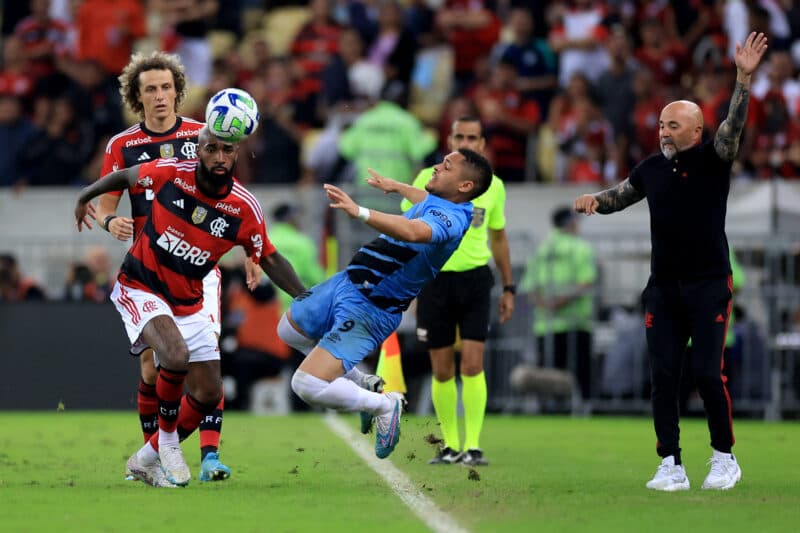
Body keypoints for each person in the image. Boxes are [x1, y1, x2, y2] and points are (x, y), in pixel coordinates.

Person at [573, 32, 768, 492]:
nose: (663, 131)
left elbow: (733, 127)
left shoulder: (714, 158)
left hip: (708, 285)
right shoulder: (650, 169)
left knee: (706, 372)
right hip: (663, 286)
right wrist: (592, 202)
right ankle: (671, 464)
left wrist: (742, 78)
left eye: (673, 125)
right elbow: (621, 196)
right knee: (662, 374)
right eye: (661, 124)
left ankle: (724, 457)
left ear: (695, 131)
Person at [74, 127, 306, 487]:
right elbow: (125, 175)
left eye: (226, 151)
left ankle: (143, 460)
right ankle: (167, 442)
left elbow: (271, 257)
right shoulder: (171, 171)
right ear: (199, 151)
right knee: (173, 355)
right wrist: (85, 196)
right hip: (141, 284)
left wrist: (305, 297)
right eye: (211, 149)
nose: (218, 158)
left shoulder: (244, 206)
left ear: (236, 154)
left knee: (209, 392)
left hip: (190, 297)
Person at [277, 148, 493, 459]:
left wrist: (359, 211)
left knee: (306, 385)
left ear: (465, 187)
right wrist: (397, 187)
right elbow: (426, 200)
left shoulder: (453, 220)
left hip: (371, 306)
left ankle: (383, 404)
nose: (436, 167)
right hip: (347, 282)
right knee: (289, 332)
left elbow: (413, 230)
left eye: (446, 166)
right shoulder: (445, 202)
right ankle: (362, 380)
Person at [92, 51, 244, 482]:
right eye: (150, 90)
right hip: (149, 268)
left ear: (178, 90)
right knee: (152, 366)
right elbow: (106, 203)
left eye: (166, 87)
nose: (160, 96)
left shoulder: (204, 134)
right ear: (137, 98)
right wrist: (110, 220)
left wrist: (251, 254)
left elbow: (231, 199)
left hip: (199, 267)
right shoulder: (122, 145)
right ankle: (151, 460)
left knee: (204, 357)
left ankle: (209, 455)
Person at [400, 116, 514, 466]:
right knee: (442, 367)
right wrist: (414, 285)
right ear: (449, 139)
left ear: (482, 144)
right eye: (459, 136)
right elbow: (412, 229)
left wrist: (509, 286)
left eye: (472, 137)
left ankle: (474, 445)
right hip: (436, 280)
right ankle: (450, 445)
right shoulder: (427, 179)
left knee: (473, 363)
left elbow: (498, 236)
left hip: (476, 278)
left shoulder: (492, 186)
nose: (465, 141)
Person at [520, 206, 597, 401]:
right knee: (580, 371)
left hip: (545, 324)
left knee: (549, 373)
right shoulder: (580, 248)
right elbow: (585, 282)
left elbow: (530, 288)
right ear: (570, 223)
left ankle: (551, 409)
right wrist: (560, 302)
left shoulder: (540, 249)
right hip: (576, 321)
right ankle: (583, 409)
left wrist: (547, 305)